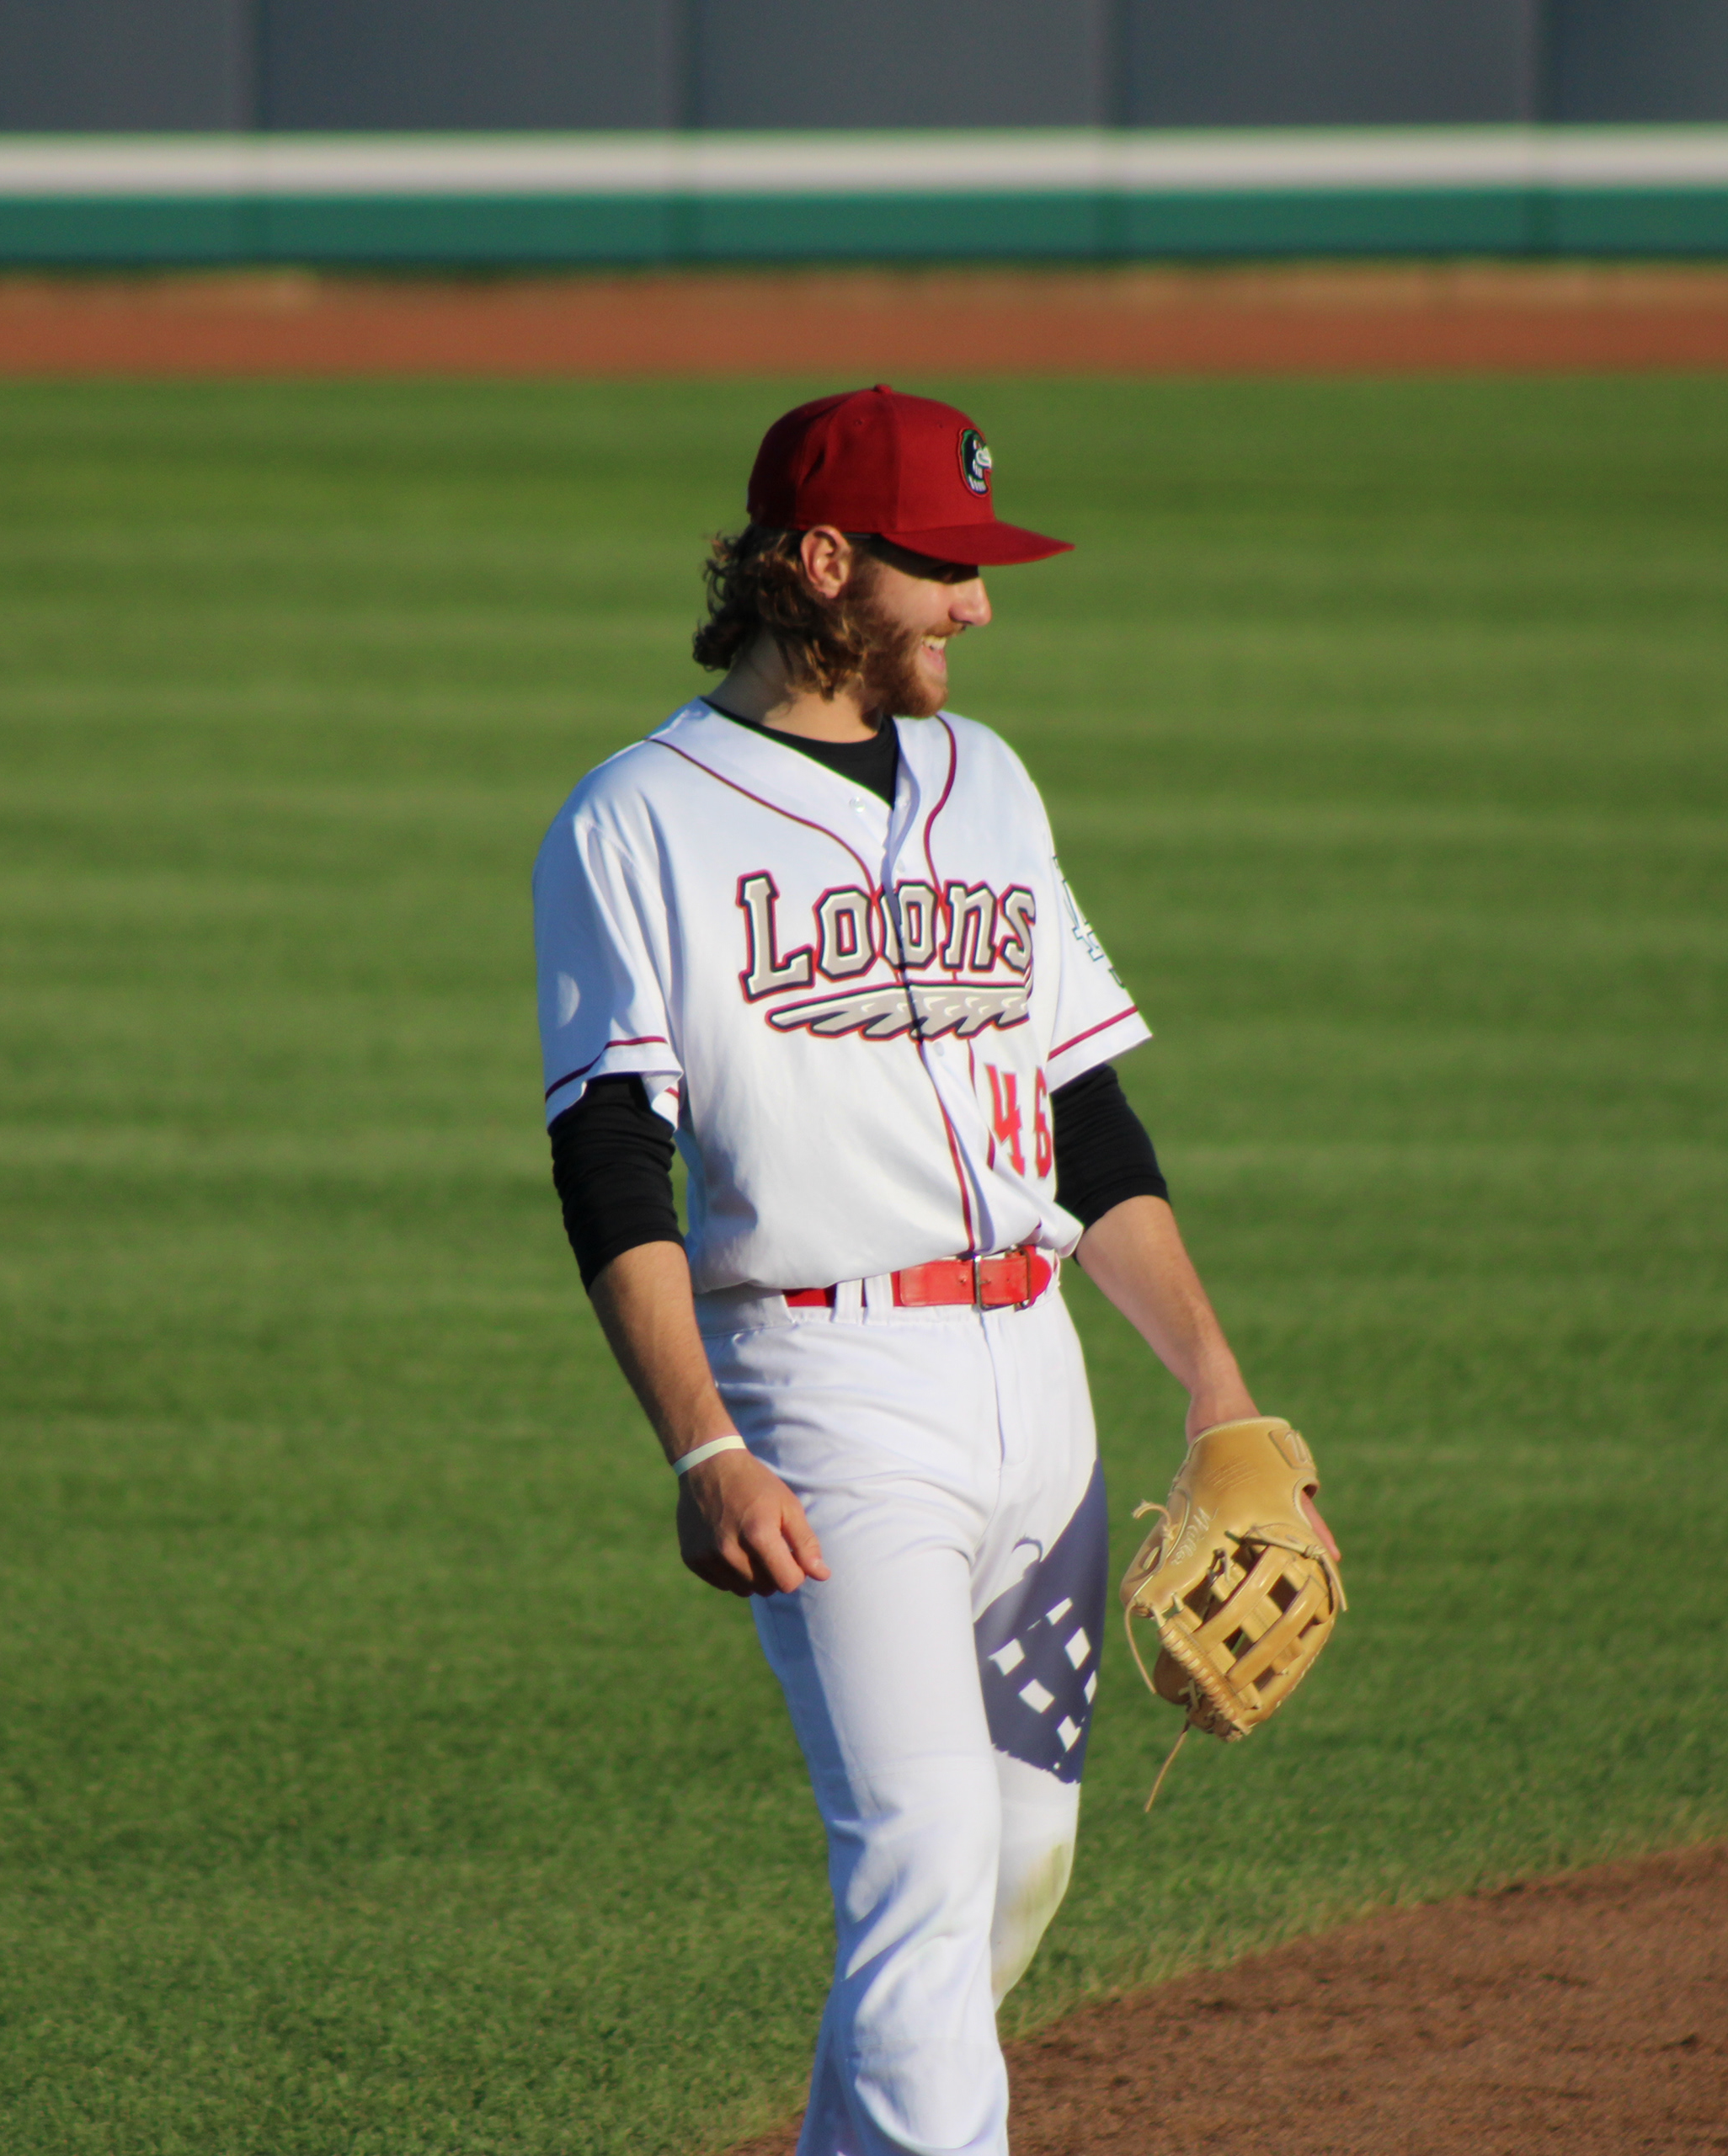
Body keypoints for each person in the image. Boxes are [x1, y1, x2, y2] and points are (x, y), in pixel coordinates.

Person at [531, 386, 1323, 2156]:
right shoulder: (637, 820)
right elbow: (609, 1158)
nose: (978, 602)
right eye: (943, 567)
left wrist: (1217, 1389)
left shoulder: (992, 783)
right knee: (923, 1857)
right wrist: (702, 1442)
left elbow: (1085, 1119)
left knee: (1016, 1859)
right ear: (824, 563)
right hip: (831, 1401)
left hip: (1037, 1390)